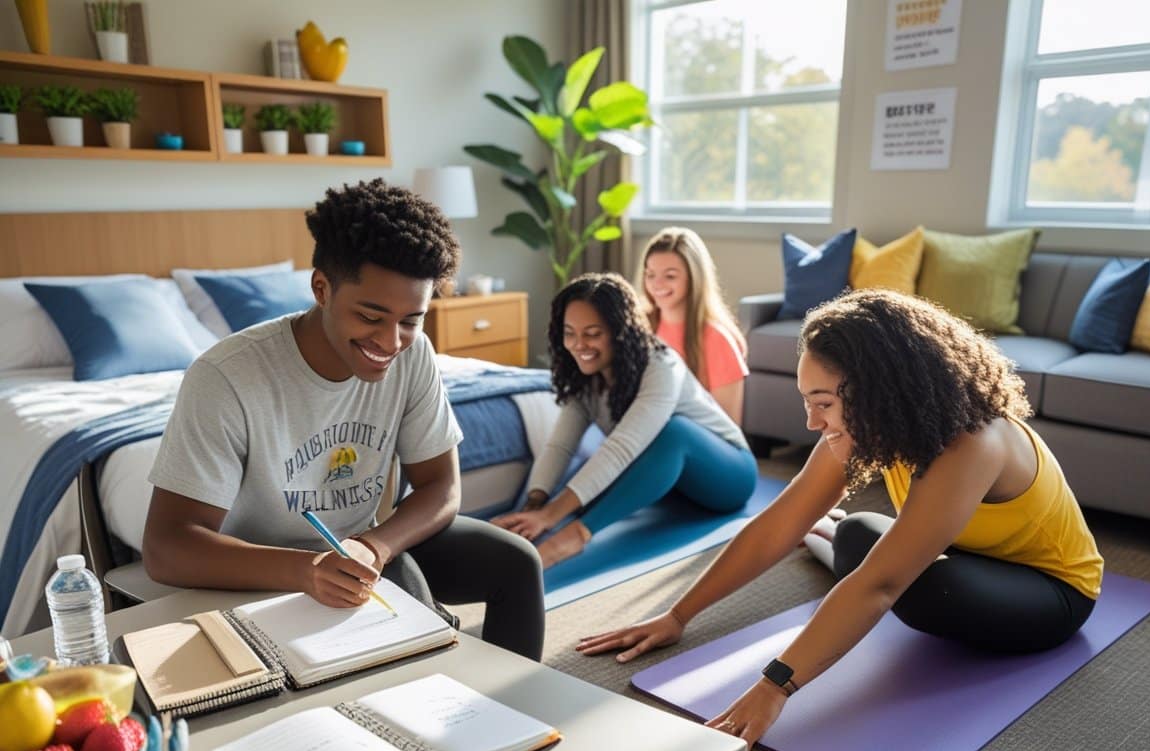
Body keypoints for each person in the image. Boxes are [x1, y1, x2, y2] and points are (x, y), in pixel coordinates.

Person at [577, 289, 1104, 747]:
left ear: (879, 392)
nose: (812, 421)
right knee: (855, 535)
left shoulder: (973, 443)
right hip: (967, 554)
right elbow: (778, 522)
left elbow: (881, 585)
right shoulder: (870, 424)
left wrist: (774, 687)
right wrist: (678, 615)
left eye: (824, 402)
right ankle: (831, 537)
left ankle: (835, 543)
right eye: (808, 401)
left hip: (1052, 593)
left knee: (897, 583)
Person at [142, 179, 545, 660]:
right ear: (321, 288)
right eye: (371, 317)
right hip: (255, 571)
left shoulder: (414, 355)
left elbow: (441, 487)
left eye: (410, 320)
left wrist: (374, 547)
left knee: (516, 563)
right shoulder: (226, 377)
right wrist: (307, 570)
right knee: (415, 638)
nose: (391, 342)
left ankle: (513, 699)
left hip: (357, 552)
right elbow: (166, 548)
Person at [490, 273, 757, 567]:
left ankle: (575, 537)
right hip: (672, 489)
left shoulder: (662, 365)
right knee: (581, 490)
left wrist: (551, 516)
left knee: (674, 432)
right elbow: (560, 446)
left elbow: (622, 448)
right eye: (569, 333)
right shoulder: (585, 378)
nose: (579, 345)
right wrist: (533, 506)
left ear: (620, 332)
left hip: (730, 476)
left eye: (593, 334)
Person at [637, 227, 749, 424]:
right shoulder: (640, 327)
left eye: (670, 276)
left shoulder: (718, 339)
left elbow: (727, 426)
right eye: (650, 275)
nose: (657, 284)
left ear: (694, 279)